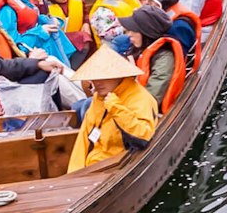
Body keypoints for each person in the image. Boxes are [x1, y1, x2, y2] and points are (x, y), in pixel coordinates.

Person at [65, 46, 159, 174]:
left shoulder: (140, 98)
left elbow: (143, 136)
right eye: (94, 77)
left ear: (119, 76)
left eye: (104, 77)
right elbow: (84, 138)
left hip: (117, 168)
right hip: (92, 168)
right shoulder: (98, 97)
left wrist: (115, 107)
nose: (97, 82)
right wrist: (74, 174)